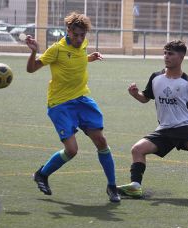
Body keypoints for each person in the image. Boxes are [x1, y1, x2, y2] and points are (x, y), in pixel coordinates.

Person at [117, 40, 188, 202]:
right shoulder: (156, 78)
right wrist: (135, 94)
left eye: (171, 54)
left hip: (185, 128)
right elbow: (145, 98)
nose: (166, 57)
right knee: (137, 149)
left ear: (181, 57)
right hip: (164, 129)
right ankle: (135, 186)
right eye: (165, 53)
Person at [25, 12, 120, 203]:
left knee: (101, 141)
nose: (79, 39)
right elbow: (31, 68)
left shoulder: (83, 45)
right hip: (60, 104)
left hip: (82, 99)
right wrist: (34, 51)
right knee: (72, 150)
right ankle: (42, 174)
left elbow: (77, 59)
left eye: (82, 36)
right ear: (67, 31)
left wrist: (90, 58)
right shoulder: (56, 49)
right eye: (75, 35)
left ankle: (112, 186)